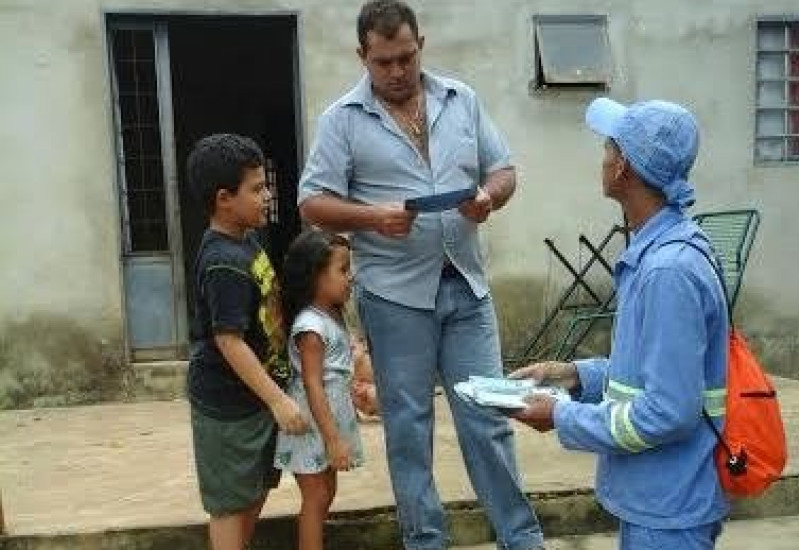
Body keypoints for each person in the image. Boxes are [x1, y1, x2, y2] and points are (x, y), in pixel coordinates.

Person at [296, 2, 545, 549]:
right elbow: (311, 203)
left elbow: (504, 170)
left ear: (420, 45)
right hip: (394, 297)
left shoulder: (462, 100)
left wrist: (487, 197)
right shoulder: (342, 120)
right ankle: (426, 543)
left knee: (491, 417)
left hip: (467, 286)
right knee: (410, 431)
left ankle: (521, 541)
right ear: (363, 56)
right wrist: (372, 217)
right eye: (383, 62)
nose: (397, 71)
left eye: (405, 57)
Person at [511, 98, 730, 550]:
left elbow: (668, 410)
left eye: (609, 146)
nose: (603, 157)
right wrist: (571, 375)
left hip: (669, 509)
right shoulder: (660, 252)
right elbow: (649, 372)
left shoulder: (667, 271)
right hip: (657, 500)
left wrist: (562, 416)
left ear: (623, 166)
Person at [185, 133, 308, 550]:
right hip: (227, 407)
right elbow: (229, 340)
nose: (267, 195)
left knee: (253, 490)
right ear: (224, 198)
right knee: (228, 505)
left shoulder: (245, 241)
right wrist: (277, 399)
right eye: (257, 189)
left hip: (252, 399)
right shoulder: (224, 262)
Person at [274, 229, 365, 550]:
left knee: (326, 494)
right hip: (314, 427)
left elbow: (339, 372)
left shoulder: (331, 316)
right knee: (316, 498)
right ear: (315, 275)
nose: (349, 277)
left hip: (329, 423)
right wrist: (332, 439)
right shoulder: (310, 327)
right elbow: (313, 385)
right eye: (342, 270)